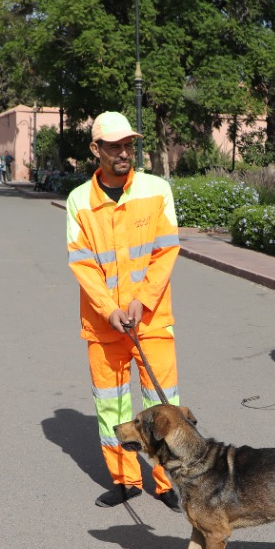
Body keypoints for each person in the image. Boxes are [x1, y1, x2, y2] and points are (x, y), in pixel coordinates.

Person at [65, 111, 184, 509]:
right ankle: (126, 481)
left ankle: (168, 482)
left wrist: (142, 300)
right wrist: (108, 308)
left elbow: (166, 250)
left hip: (150, 319)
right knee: (112, 403)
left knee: (161, 404)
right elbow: (82, 263)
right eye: (114, 146)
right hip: (104, 325)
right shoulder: (79, 200)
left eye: (128, 144)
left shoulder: (156, 189)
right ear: (95, 149)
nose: (124, 152)